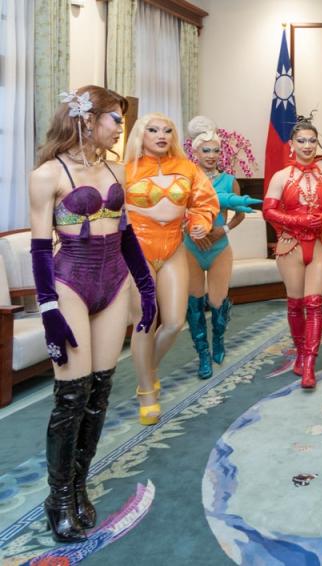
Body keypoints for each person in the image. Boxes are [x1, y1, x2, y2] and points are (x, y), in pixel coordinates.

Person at [29, 86, 156, 542]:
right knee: (71, 395)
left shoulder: (114, 169)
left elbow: (126, 238)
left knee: (101, 392)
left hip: (114, 281)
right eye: (114, 119)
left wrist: (146, 286)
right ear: (87, 118)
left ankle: (79, 485)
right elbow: (41, 248)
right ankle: (58, 498)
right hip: (69, 284)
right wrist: (47, 310)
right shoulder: (48, 174)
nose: (121, 128)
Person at [125, 113, 219, 424]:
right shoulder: (124, 170)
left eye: (167, 130)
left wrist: (201, 224)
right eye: (153, 130)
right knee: (145, 321)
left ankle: (147, 368)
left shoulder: (186, 167)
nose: (161, 135)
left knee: (175, 321)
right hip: (137, 248)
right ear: (141, 134)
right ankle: (146, 389)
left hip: (174, 246)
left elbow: (205, 202)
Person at [263, 115, 322, 389]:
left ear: (317, 144)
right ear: (292, 144)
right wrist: (298, 221)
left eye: (312, 141)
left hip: (321, 244)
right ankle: (300, 353)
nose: (308, 146)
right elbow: (268, 210)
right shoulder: (281, 176)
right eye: (302, 141)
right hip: (290, 244)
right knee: (295, 304)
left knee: (315, 302)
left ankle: (309, 364)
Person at [183, 116, 260, 379]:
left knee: (217, 302)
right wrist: (190, 230)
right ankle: (202, 354)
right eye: (207, 150)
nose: (212, 155)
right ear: (195, 152)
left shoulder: (229, 181)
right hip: (190, 249)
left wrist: (221, 231)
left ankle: (218, 340)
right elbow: (173, 213)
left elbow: (239, 214)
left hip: (219, 249)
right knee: (194, 305)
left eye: (217, 150)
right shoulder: (185, 180)